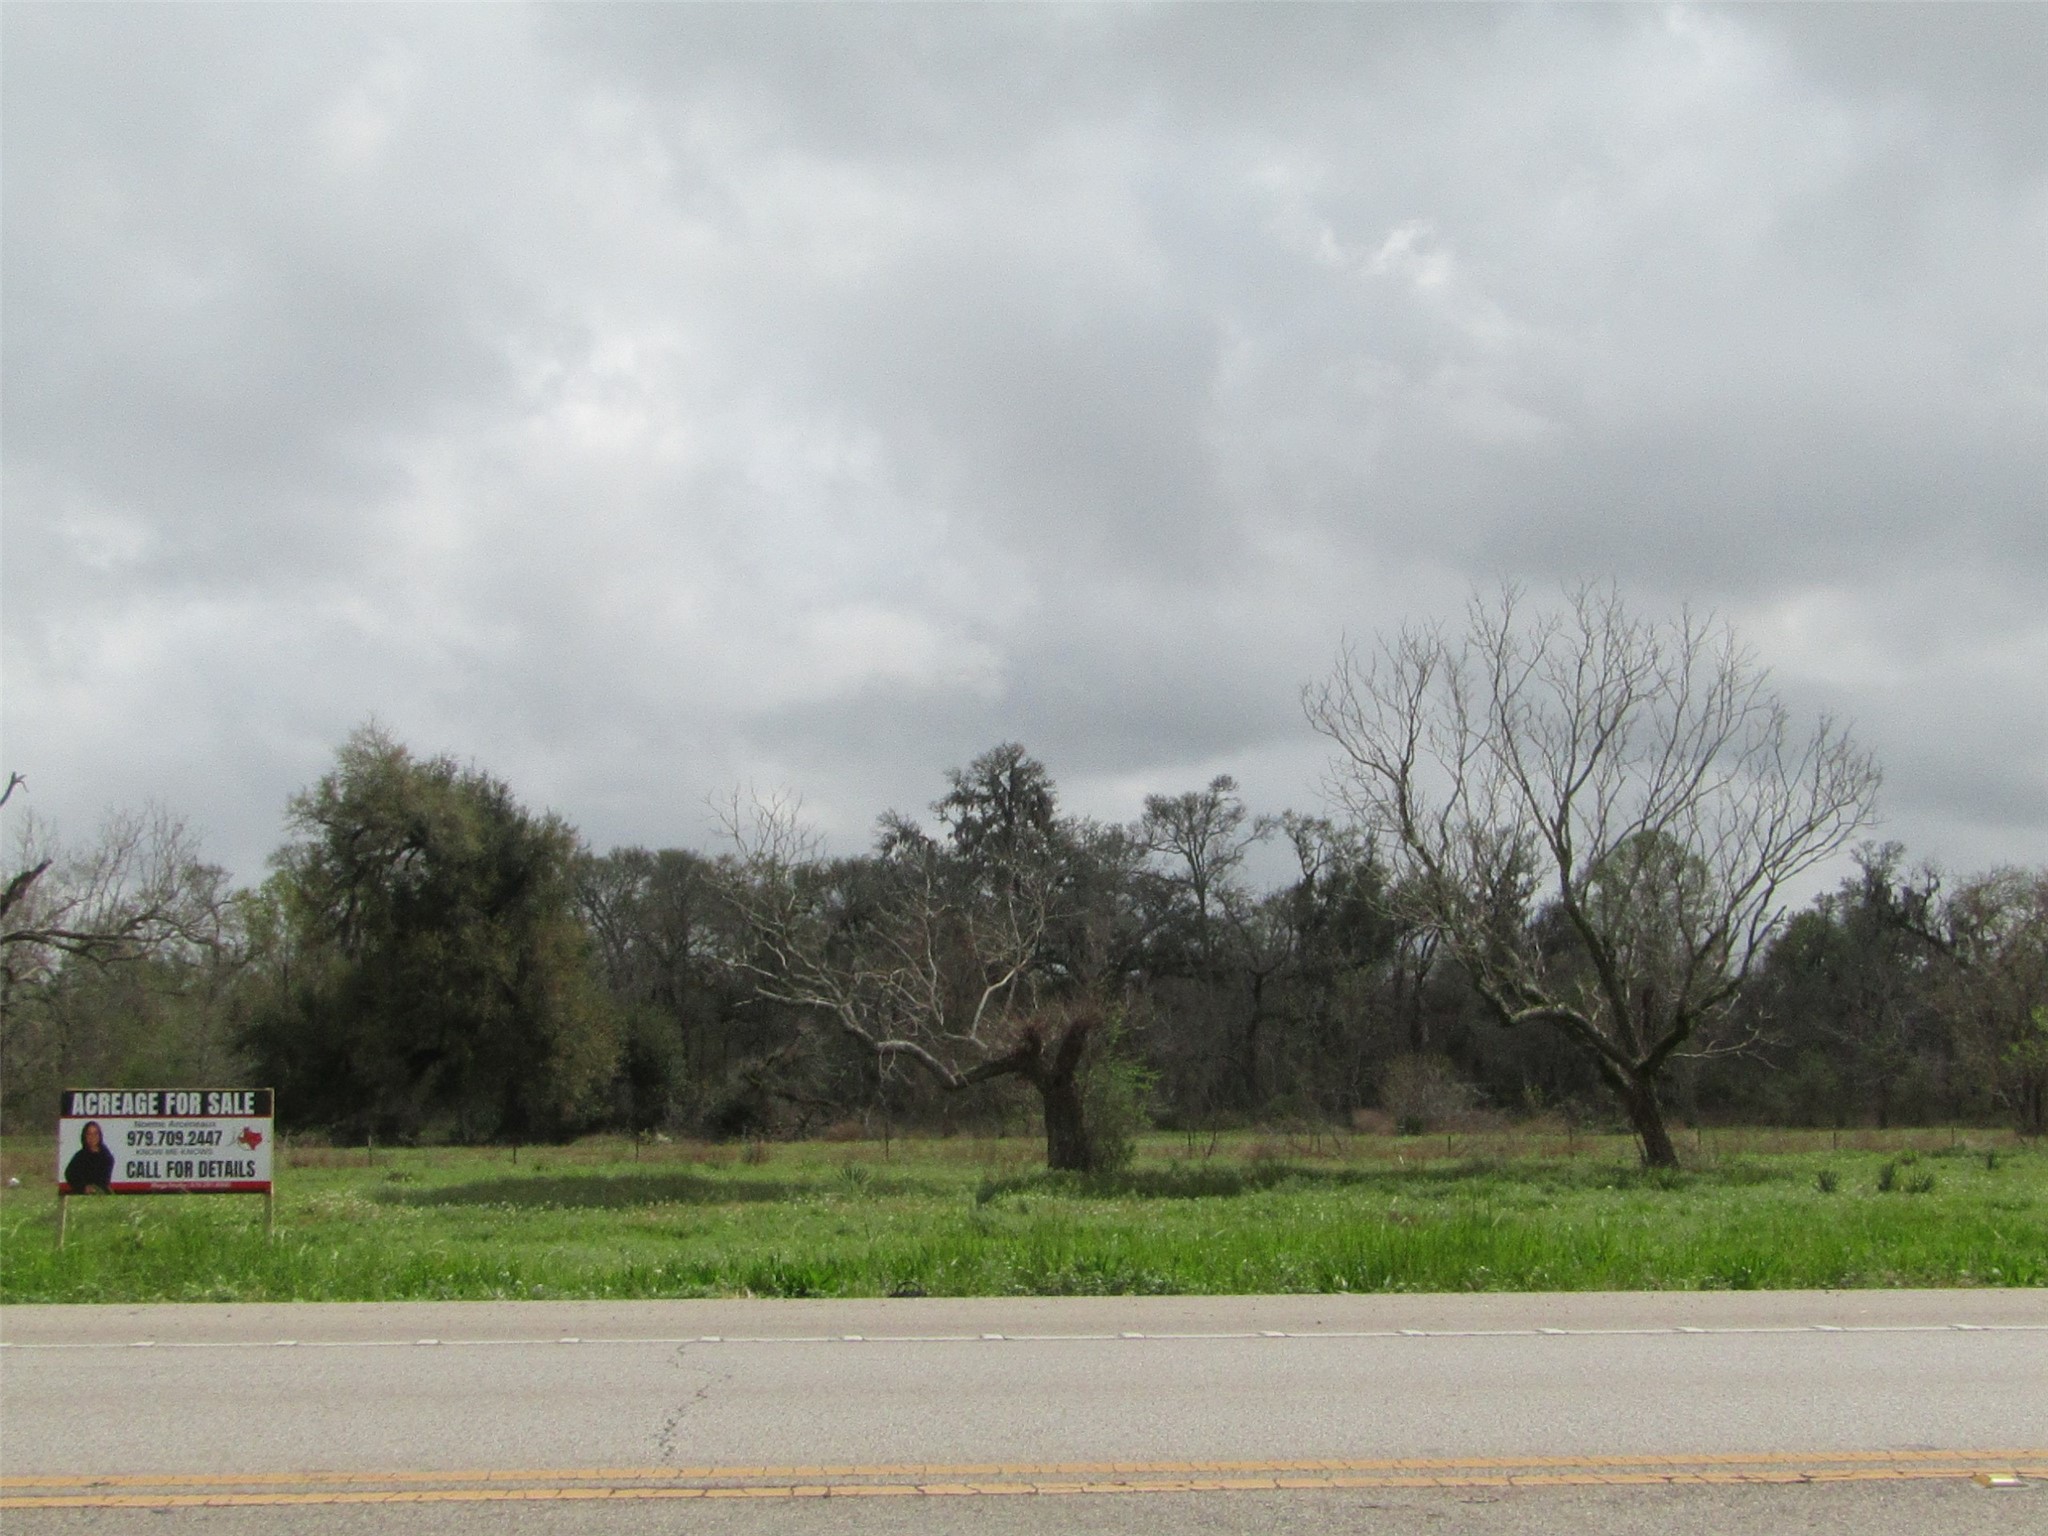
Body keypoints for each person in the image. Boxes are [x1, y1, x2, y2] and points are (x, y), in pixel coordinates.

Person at [64, 1121, 115, 1194]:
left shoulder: (107, 1157)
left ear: (100, 1136)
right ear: (85, 1136)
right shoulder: (79, 1156)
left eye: (95, 1134)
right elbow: (69, 1174)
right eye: (89, 1134)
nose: (92, 1137)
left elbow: (104, 1180)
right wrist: (83, 1187)